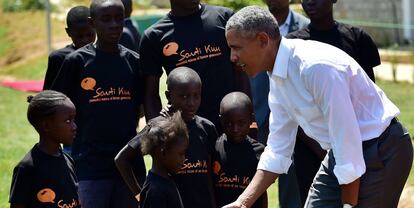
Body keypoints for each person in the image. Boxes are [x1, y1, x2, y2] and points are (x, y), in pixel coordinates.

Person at [223, 6, 413, 208]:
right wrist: (243, 203)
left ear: (263, 40)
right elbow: (278, 150)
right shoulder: (278, 77)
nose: (232, 57)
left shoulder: (315, 67)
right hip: (340, 153)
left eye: (237, 48)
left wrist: (348, 205)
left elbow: (347, 140)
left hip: (381, 148)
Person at [286, 0, 382, 202]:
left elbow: (368, 98)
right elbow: (292, 106)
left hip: (357, 147)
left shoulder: (357, 39)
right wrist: (325, 151)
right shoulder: (293, 45)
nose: (309, 1)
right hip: (311, 149)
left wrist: (345, 149)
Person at [51, 0, 145, 207]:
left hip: (129, 166)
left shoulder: (134, 62)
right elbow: (57, 107)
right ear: (92, 23)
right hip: (89, 166)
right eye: (106, 19)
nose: (114, 25)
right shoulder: (76, 62)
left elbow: (142, 108)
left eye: (119, 19)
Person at [139, 0, 250, 133]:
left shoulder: (225, 18)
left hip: (232, 128)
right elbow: (151, 94)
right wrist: (157, 135)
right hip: (188, 134)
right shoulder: (154, 36)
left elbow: (241, 72)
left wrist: (250, 121)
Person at [116, 67, 218, 208]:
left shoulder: (207, 128)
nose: (191, 103)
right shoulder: (160, 127)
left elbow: (210, 176)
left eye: (196, 96)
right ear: (169, 96)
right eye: (184, 96)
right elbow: (121, 159)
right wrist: (140, 195)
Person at [253, 0, 309, 207]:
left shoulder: (305, 26)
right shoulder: (252, 27)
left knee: (291, 175)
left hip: (294, 114)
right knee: (256, 171)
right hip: (259, 114)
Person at [9, 90, 80, 208]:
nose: (74, 127)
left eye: (74, 120)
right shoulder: (27, 168)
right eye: (68, 121)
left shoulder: (68, 160)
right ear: (46, 125)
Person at [212, 92, 267, 208]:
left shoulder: (259, 152)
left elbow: (262, 191)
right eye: (229, 123)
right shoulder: (214, 149)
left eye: (241, 123)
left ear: (251, 119)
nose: (235, 129)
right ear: (221, 120)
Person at [139, 112, 189, 208]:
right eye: (181, 154)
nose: (184, 159)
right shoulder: (156, 191)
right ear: (163, 153)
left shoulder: (165, 181)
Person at [43, 6, 96, 90]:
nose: (85, 40)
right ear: (68, 32)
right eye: (79, 36)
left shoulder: (103, 54)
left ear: (96, 28)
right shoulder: (59, 58)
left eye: (89, 35)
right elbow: (50, 93)